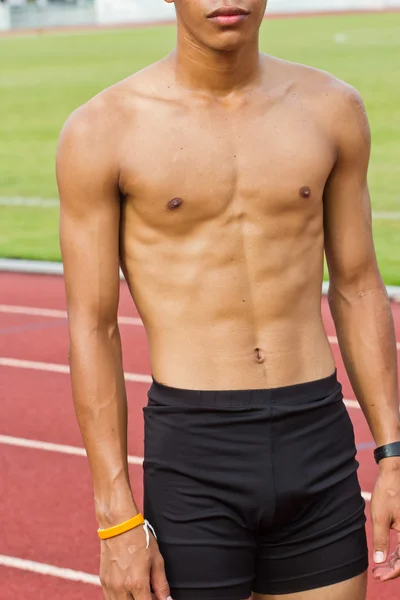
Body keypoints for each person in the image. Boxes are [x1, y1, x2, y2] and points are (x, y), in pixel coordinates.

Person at [56, 1, 400, 599]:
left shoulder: (331, 108)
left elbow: (358, 283)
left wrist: (393, 452)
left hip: (316, 437)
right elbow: (93, 326)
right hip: (195, 452)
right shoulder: (103, 129)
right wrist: (116, 518)